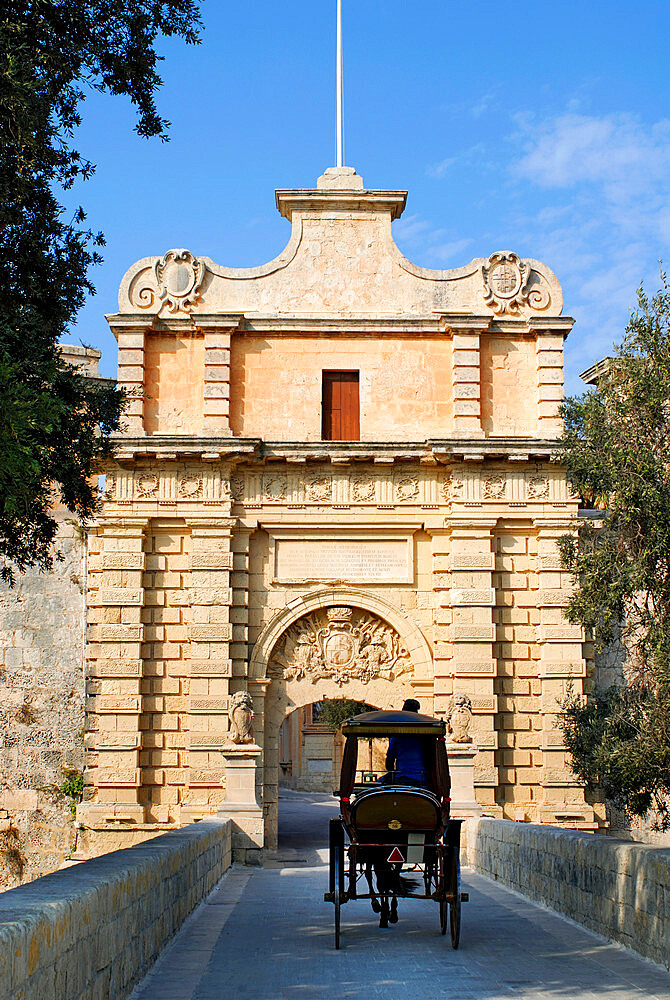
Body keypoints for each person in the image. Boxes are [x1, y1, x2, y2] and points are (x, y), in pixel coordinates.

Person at [381, 699, 429, 787]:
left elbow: (390, 761)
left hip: (402, 778)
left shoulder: (397, 737)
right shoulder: (425, 735)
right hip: (423, 779)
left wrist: (393, 773)